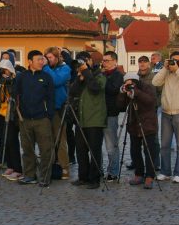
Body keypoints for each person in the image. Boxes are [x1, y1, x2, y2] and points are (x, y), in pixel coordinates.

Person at [152, 50, 179, 183]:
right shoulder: (166, 73)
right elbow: (155, 82)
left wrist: (177, 70)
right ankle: (165, 172)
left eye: (178, 60)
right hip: (166, 112)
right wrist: (165, 68)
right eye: (173, 60)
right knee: (164, 145)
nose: (175, 62)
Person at [14, 50, 55, 185]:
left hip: (42, 119)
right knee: (27, 149)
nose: (41, 62)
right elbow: (16, 95)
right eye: (38, 59)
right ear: (30, 61)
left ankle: (45, 177)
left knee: (46, 150)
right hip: (25, 119)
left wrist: (49, 115)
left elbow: (50, 98)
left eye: (42, 59)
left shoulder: (46, 77)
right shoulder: (21, 77)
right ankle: (30, 175)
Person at [68, 51, 106, 189]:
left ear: (90, 61)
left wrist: (87, 73)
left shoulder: (99, 75)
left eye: (83, 62)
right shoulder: (82, 76)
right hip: (81, 119)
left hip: (95, 118)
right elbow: (72, 92)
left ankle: (94, 179)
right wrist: (79, 79)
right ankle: (83, 177)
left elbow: (96, 88)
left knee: (94, 150)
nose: (81, 66)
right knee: (81, 150)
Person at [118, 74, 158, 189]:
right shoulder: (127, 91)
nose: (130, 85)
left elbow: (151, 102)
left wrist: (136, 92)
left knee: (149, 152)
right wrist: (122, 92)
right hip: (134, 124)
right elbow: (120, 106)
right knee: (135, 151)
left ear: (136, 82)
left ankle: (150, 176)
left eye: (131, 83)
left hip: (147, 124)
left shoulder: (147, 87)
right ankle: (139, 174)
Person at [43, 47, 72, 179]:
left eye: (50, 58)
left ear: (57, 57)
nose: (48, 60)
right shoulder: (46, 69)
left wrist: (46, 67)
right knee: (47, 139)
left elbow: (55, 81)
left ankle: (64, 167)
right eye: (46, 58)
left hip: (59, 108)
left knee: (60, 139)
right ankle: (50, 165)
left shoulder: (65, 69)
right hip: (46, 107)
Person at [101, 51, 125, 181]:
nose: (104, 63)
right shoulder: (101, 74)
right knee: (97, 144)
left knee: (111, 145)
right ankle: (98, 169)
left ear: (114, 61)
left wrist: (103, 80)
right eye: (103, 60)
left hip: (110, 113)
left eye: (107, 60)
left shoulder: (118, 75)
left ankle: (113, 172)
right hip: (98, 113)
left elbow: (112, 90)